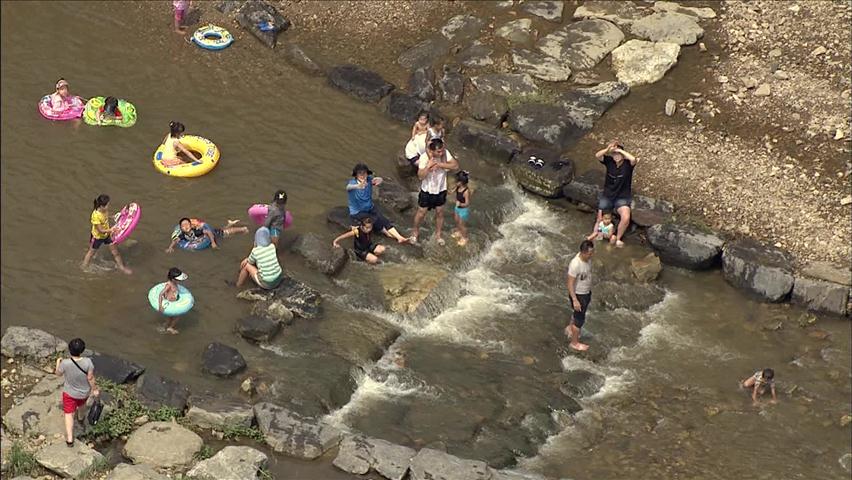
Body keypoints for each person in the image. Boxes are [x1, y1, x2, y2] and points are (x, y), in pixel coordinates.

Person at [347, 163, 412, 244]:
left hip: (370, 208)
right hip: (358, 212)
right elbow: (348, 187)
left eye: (364, 173)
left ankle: (400, 237)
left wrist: (378, 180)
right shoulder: (353, 183)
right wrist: (358, 186)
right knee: (376, 220)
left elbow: (380, 180)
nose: (362, 175)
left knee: (385, 221)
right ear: (356, 175)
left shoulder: (369, 179)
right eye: (360, 173)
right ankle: (389, 234)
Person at [412, 137, 459, 245]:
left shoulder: (446, 154)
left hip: (441, 189)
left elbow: (455, 165)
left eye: (442, 150)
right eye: (439, 151)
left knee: (440, 212)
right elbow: (420, 176)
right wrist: (428, 167)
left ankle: (438, 235)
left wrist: (439, 165)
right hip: (427, 190)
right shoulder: (424, 157)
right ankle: (415, 232)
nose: (441, 152)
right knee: (421, 213)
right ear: (432, 151)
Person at [592, 140, 638, 247]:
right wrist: (608, 149)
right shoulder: (609, 161)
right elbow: (597, 155)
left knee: (626, 217)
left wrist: (619, 150)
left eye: (618, 154)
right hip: (608, 194)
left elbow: (633, 159)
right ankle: (596, 234)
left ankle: (617, 238)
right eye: (614, 154)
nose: (616, 156)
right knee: (600, 218)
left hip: (622, 196)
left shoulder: (627, 165)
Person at [55, 338, 98, 447]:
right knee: (82, 404)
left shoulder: (65, 363)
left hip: (69, 393)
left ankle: (70, 439)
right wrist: (95, 389)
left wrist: (57, 363)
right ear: (82, 350)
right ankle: (80, 418)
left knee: (69, 414)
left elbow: (58, 374)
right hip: (84, 392)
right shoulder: (88, 362)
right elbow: (90, 377)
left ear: (69, 350)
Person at [82, 194, 132, 274]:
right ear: (101, 206)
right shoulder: (95, 216)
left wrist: (116, 216)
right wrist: (112, 230)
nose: (108, 206)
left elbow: (106, 217)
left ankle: (122, 267)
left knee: (115, 252)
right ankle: (84, 266)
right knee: (91, 253)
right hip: (97, 237)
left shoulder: (104, 210)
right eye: (107, 205)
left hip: (107, 235)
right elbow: (100, 230)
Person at [566, 240, 594, 351]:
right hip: (579, 295)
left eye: (592, 252)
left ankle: (569, 328)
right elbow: (569, 283)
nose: (591, 255)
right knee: (579, 320)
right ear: (582, 252)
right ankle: (574, 343)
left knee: (576, 314)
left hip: (586, 292)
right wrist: (575, 300)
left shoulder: (588, 259)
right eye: (589, 253)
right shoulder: (575, 264)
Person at [165, 218, 248, 252]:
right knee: (223, 230)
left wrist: (213, 243)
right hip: (203, 237)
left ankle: (242, 229)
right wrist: (170, 247)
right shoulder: (182, 235)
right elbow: (176, 240)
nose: (186, 227)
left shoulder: (196, 231)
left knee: (225, 233)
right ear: (181, 228)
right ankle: (230, 224)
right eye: (183, 226)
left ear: (191, 225)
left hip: (212, 234)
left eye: (187, 224)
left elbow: (208, 232)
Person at [159, 267, 188, 334]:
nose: (179, 281)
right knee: (177, 317)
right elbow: (161, 294)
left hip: (174, 302)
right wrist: (160, 306)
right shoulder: (169, 285)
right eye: (177, 280)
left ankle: (165, 325)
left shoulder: (175, 283)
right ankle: (170, 327)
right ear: (172, 279)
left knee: (170, 317)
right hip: (170, 303)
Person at [451, 170, 471, 246]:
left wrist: (460, 204)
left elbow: (467, 203)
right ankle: (459, 232)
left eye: (456, 181)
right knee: (457, 221)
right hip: (457, 208)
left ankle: (465, 237)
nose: (455, 182)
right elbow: (453, 191)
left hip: (463, 209)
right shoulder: (458, 187)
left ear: (461, 182)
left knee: (462, 224)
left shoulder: (466, 191)